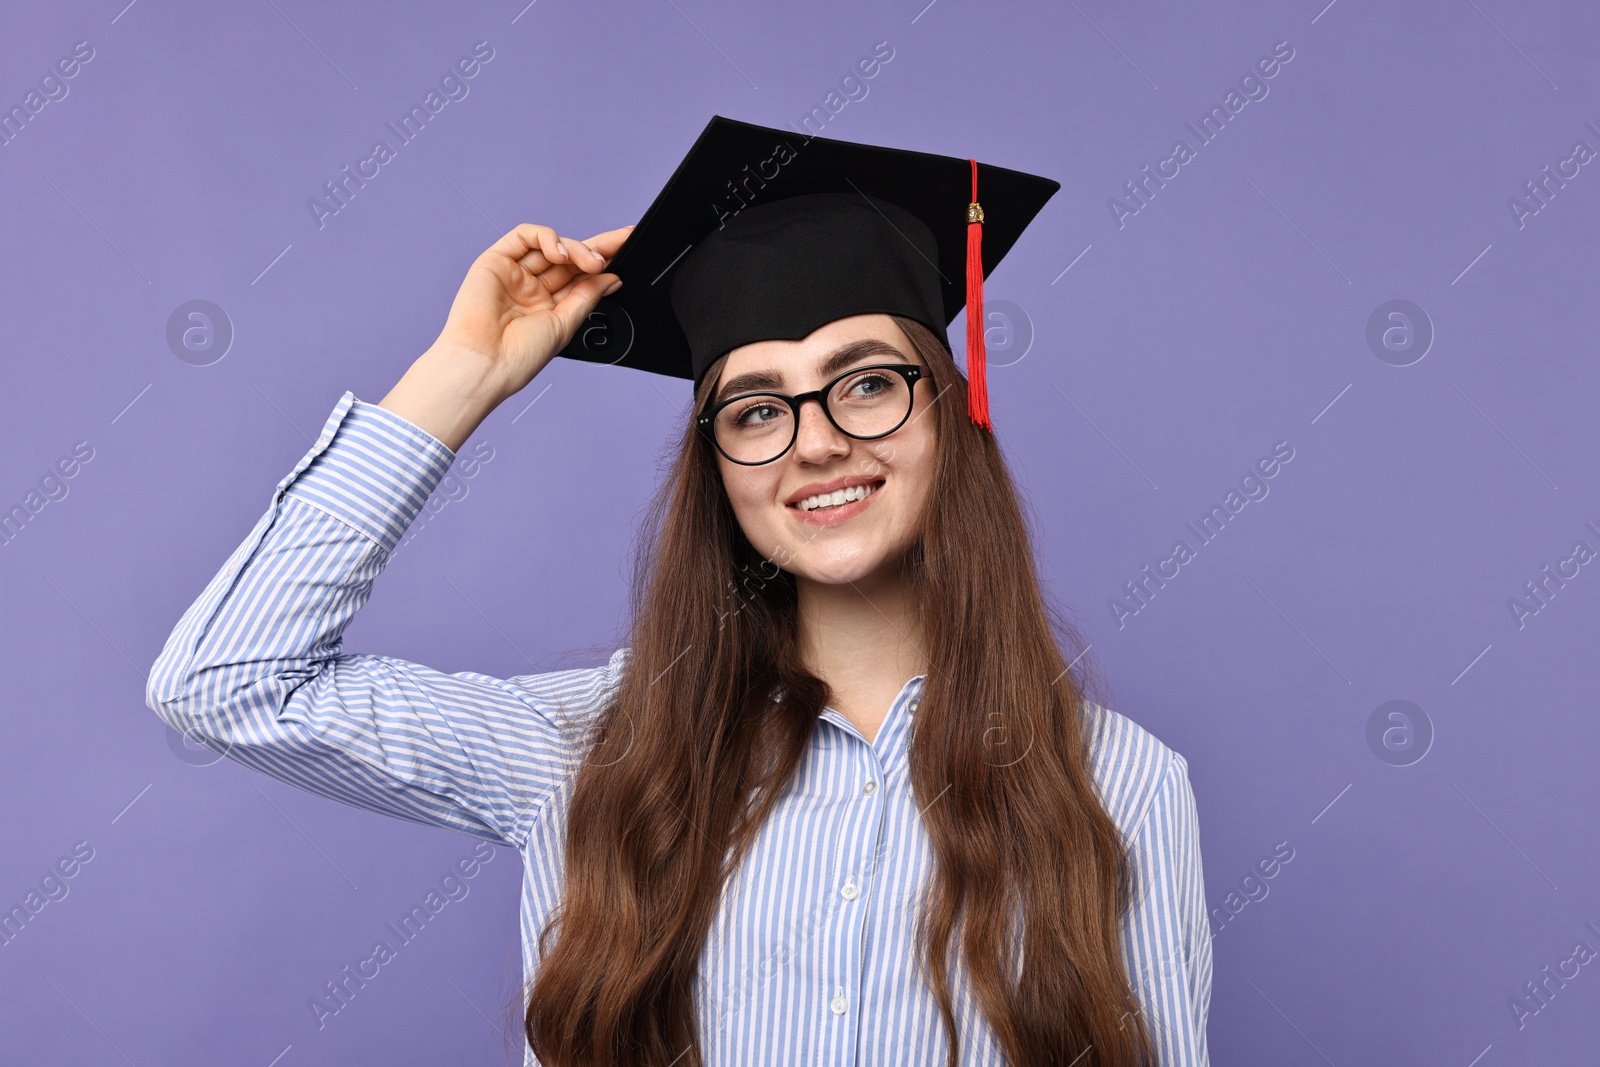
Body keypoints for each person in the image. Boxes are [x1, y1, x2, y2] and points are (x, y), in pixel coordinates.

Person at [147, 115, 1211, 1066]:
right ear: (718, 467)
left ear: (946, 412)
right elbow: (228, 681)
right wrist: (462, 373)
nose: (819, 443)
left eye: (868, 382)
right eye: (756, 409)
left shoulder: (1119, 785)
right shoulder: (596, 746)